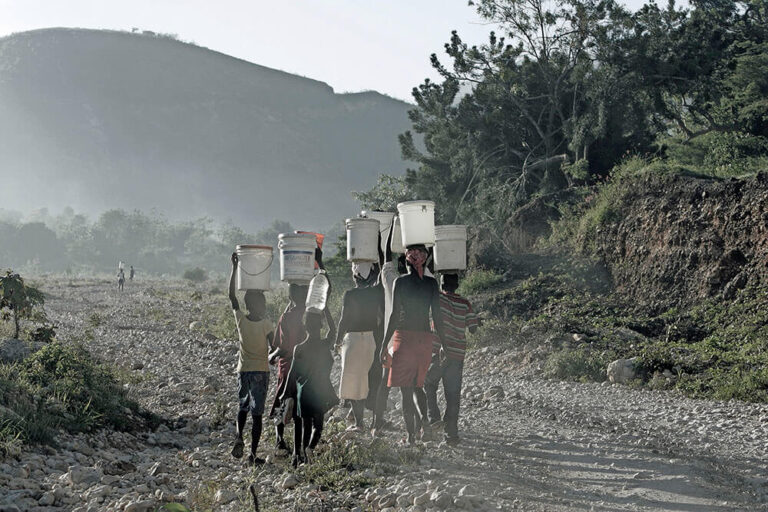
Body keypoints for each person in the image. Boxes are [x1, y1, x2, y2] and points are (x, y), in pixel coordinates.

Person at [381, 244, 444, 445]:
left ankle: (410, 437)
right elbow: (438, 317)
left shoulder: (400, 283)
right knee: (418, 386)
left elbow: (393, 316)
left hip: (404, 338)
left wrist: (384, 344)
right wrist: (442, 343)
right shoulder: (432, 285)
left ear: (407, 261)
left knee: (406, 392)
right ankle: (424, 422)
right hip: (425, 339)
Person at [268, 247, 323, 454]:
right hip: (307, 369)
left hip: (288, 366)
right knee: (301, 410)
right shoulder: (311, 313)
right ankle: (300, 450)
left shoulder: (287, 317)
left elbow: (281, 347)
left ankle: (280, 441)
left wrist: (271, 357)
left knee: (282, 402)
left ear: (291, 293)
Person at [228, 253, 273, 464]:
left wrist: (234, 268)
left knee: (242, 407)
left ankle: (238, 436)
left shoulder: (241, 321)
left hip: (243, 369)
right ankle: (253, 455)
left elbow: (232, 297)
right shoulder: (266, 324)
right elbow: (275, 346)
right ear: (262, 305)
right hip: (260, 371)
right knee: (257, 415)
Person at [424, 273, 479, 446]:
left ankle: (434, 418)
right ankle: (451, 435)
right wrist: (476, 321)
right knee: (453, 396)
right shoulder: (465, 303)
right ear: (457, 285)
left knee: (428, 385)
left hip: (437, 353)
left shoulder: (437, 298)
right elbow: (473, 329)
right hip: (456, 355)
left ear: (441, 284)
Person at [281, 307, 336, 467]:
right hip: (319, 392)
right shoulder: (325, 344)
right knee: (317, 426)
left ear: (305, 327)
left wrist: (286, 393)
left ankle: (302, 457)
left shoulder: (300, 348)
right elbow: (333, 330)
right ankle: (310, 449)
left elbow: (292, 373)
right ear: (320, 326)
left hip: (303, 392)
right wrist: (326, 309)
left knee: (305, 425)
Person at [335, 260, 383, 431]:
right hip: (370, 340)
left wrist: (337, 341)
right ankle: (362, 420)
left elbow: (344, 320)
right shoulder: (375, 294)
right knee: (363, 378)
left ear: (355, 276)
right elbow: (379, 317)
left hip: (353, 340)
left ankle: (359, 423)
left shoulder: (350, 295)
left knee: (352, 380)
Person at [371, 218, 406, 437]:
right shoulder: (414, 283)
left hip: (391, 335)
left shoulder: (389, 278)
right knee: (410, 383)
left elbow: (385, 256)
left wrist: (391, 229)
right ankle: (417, 425)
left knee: (385, 383)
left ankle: (377, 420)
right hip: (408, 335)